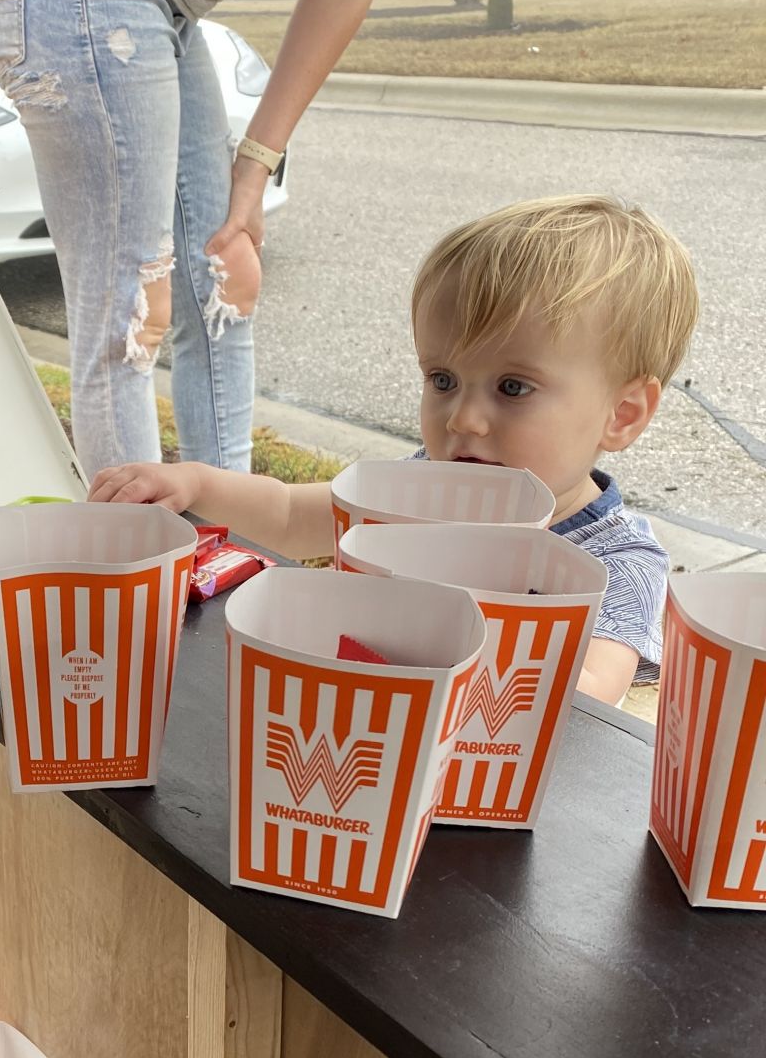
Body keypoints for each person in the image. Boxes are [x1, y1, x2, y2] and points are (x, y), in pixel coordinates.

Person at [91, 195, 699, 705]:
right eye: (442, 380)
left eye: (513, 388)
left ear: (621, 415)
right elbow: (290, 516)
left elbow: (592, 694)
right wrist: (198, 484)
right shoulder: (424, 490)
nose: (464, 417)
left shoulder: (618, 561)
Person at [0, 0, 439, 481]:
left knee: (221, 283)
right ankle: (133, 568)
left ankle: (226, 536)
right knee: (129, 323)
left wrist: (254, 168)